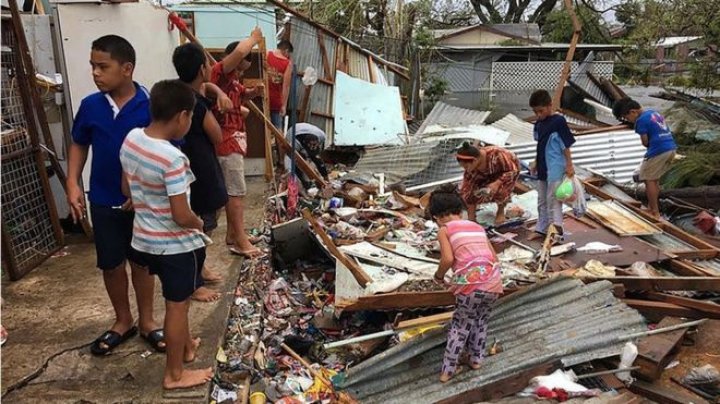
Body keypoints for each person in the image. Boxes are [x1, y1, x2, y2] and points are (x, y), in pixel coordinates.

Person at [66, 35, 164, 355]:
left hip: (141, 202)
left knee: (142, 263)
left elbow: (164, 152)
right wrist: (72, 182)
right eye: (92, 66)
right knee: (111, 263)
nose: (95, 73)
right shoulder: (91, 106)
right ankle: (123, 320)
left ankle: (148, 322)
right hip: (103, 199)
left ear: (126, 69)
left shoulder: (149, 106)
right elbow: (80, 142)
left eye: (102, 66)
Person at [119, 79, 212, 390]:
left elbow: (125, 188)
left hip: (143, 241)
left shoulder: (132, 139)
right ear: (183, 116)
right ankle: (174, 375)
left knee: (177, 301)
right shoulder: (173, 159)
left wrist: (146, 200)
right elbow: (181, 215)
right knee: (177, 306)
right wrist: (199, 223)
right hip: (174, 247)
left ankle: (186, 347)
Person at [172, 42, 229, 302]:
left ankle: (199, 271)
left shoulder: (174, 94)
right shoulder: (197, 104)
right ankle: (194, 282)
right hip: (201, 171)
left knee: (194, 226)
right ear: (201, 70)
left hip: (183, 173)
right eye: (207, 64)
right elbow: (216, 136)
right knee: (201, 227)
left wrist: (214, 90)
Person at [429, 185, 502, 383]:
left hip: (470, 286)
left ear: (436, 216)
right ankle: (476, 359)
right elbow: (494, 257)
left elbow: (447, 259)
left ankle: (448, 371)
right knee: (481, 321)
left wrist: (438, 276)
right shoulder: (477, 227)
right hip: (493, 282)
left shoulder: (445, 230)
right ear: (460, 211)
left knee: (460, 326)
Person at [211, 29, 264, 258]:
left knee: (235, 192)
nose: (247, 60)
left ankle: (234, 235)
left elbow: (244, 96)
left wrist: (255, 92)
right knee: (235, 194)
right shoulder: (221, 74)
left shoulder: (233, 82)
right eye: (244, 57)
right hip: (226, 142)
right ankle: (241, 241)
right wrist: (254, 38)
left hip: (234, 141)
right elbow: (241, 50)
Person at [613, 97, 677, 218]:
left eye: (627, 118)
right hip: (671, 148)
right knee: (654, 180)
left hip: (658, 150)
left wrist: (648, 145)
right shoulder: (654, 113)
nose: (629, 121)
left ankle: (654, 211)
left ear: (633, 112)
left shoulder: (640, 121)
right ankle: (652, 207)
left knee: (648, 179)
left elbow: (645, 141)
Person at [529, 89, 576, 240]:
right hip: (543, 167)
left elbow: (566, 145)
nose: (538, 115)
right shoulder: (538, 124)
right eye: (536, 112)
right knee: (542, 200)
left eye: (541, 111)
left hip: (555, 168)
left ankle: (556, 233)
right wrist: (536, 161)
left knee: (553, 201)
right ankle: (541, 229)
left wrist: (569, 165)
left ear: (550, 106)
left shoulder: (558, 122)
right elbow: (539, 145)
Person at [456, 142, 520, 225]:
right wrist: (471, 218)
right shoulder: (471, 170)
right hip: (484, 175)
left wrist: (497, 183)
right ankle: (472, 217)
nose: (467, 170)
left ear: (475, 161)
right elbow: (467, 190)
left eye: (467, 167)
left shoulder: (497, 154)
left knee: (501, 191)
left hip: (507, 172)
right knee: (468, 191)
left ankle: (500, 211)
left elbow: (512, 171)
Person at [284, 122, 329, 190]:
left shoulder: (322, 137)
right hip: (293, 131)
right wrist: (288, 171)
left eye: (314, 145)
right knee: (297, 161)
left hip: (308, 130)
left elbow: (318, 160)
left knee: (315, 158)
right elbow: (288, 157)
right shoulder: (295, 142)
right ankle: (301, 180)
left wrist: (326, 178)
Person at [267, 40, 293, 129]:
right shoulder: (287, 64)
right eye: (288, 54)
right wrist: (284, 105)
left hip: (262, 98)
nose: (288, 57)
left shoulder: (266, 55)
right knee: (277, 131)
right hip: (276, 102)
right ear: (286, 51)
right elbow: (286, 86)